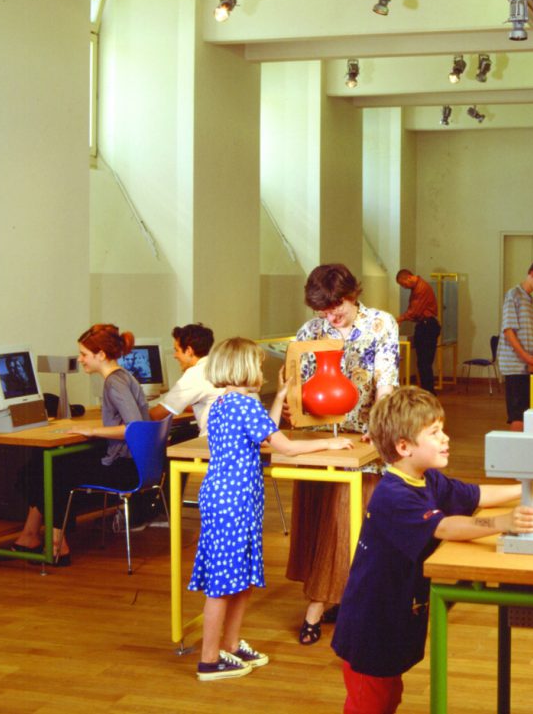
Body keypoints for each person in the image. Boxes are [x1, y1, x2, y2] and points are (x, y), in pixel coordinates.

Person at [331, 387, 533, 712]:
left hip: (394, 616)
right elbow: (446, 526)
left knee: (390, 696)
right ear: (404, 447)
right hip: (371, 624)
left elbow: (474, 495)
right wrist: (502, 523)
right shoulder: (394, 495)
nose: (446, 438)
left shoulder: (427, 480)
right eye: (435, 433)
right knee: (371, 701)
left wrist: (529, 489)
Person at [188, 337, 352, 681]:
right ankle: (208, 659)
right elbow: (285, 447)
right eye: (259, 365)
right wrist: (331, 441)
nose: (261, 371)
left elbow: (265, 434)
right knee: (222, 584)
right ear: (244, 368)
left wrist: (278, 398)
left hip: (232, 499)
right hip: (232, 502)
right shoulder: (242, 407)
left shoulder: (226, 403)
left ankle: (230, 646)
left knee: (240, 579)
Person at [286, 263, 400, 645]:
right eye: (322, 311)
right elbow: (296, 383)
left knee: (346, 525)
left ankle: (319, 606)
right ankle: (333, 595)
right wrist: (292, 409)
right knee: (319, 524)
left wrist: (378, 426)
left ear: (352, 295)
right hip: (319, 440)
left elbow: (386, 381)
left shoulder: (382, 324)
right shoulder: (311, 330)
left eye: (336, 307)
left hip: (363, 439)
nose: (330, 317)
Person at [12, 324, 149, 564]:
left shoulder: (114, 383)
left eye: (84, 354)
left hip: (124, 468)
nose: (80, 359)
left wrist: (92, 430)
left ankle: (57, 545)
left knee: (53, 468)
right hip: (136, 464)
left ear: (101, 355)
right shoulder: (123, 376)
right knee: (38, 464)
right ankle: (30, 535)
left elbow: (134, 427)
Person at [497, 259, 533, 430]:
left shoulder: (528, 299)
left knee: (529, 412)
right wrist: (526, 357)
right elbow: (508, 331)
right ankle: (517, 454)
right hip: (516, 365)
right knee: (519, 415)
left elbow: (524, 335)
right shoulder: (513, 295)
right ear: (532, 274)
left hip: (526, 364)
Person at [149, 322, 219, 437]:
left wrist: (135, 413)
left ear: (189, 350)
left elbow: (157, 415)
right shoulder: (219, 366)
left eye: (177, 350)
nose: (175, 355)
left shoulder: (195, 374)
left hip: (213, 445)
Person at [395, 269, 441, 394]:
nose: (403, 287)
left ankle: (428, 392)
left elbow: (414, 311)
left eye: (403, 284)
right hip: (426, 326)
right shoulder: (417, 287)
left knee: (424, 363)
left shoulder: (421, 288)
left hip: (427, 326)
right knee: (423, 363)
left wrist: (399, 319)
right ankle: (427, 391)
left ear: (409, 277)